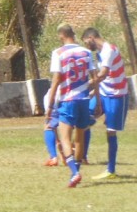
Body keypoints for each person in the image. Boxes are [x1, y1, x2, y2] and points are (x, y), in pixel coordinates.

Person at [46, 23, 97, 189]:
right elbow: (94, 77)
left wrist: (50, 105)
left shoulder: (59, 53)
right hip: (84, 99)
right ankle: (76, 172)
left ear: (61, 35)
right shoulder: (87, 52)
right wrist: (97, 99)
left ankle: (75, 172)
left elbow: (56, 81)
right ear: (73, 35)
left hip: (68, 100)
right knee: (80, 137)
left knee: (64, 137)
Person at [81, 27, 129, 180]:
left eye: (86, 42)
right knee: (84, 119)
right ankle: (82, 157)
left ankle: (111, 169)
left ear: (91, 38)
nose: (86, 46)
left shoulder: (109, 50)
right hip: (103, 92)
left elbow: (103, 74)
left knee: (111, 131)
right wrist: (94, 92)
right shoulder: (100, 53)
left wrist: (85, 84)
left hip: (116, 95)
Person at [42, 88, 60, 167]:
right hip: (79, 97)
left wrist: (49, 107)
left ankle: (53, 157)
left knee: (49, 125)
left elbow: (56, 82)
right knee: (80, 127)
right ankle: (82, 157)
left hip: (59, 94)